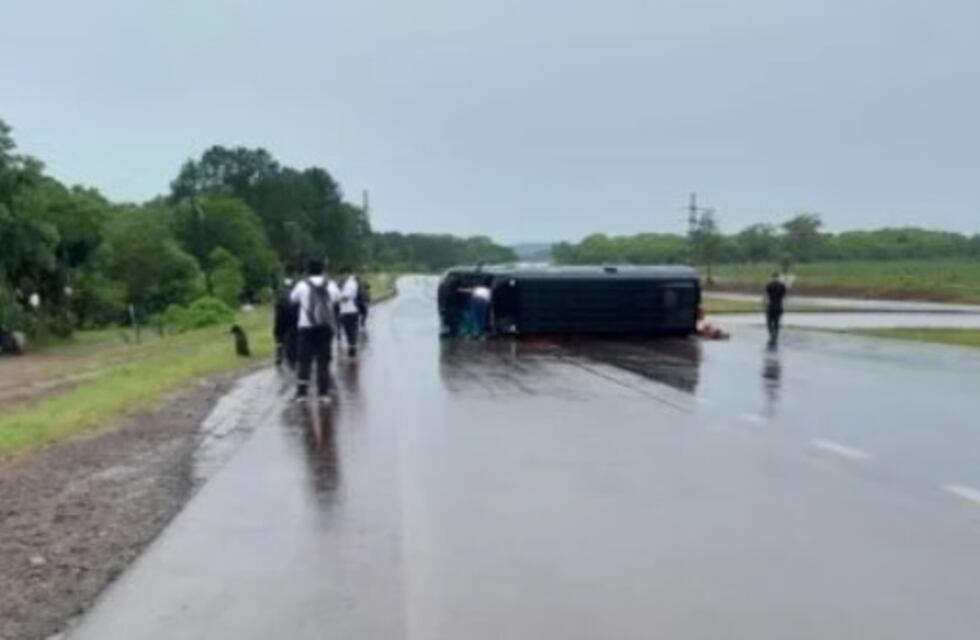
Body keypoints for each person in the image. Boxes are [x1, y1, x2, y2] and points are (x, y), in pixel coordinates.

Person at [290, 259, 337, 403]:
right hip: (325, 327)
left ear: (308, 270)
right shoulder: (331, 284)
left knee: (304, 361)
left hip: (306, 327)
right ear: (323, 270)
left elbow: (292, 299)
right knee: (323, 362)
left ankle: (302, 394)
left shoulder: (302, 285)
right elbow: (337, 299)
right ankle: (323, 394)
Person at [336, 267, 361, 359]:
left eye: (342, 274)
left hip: (351, 311)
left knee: (351, 331)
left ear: (346, 273)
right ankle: (351, 348)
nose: (341, 276)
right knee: (347, 331)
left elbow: (346, 296)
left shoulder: (351, 283)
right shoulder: (345, 283)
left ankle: (352, 349)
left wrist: (338, 297)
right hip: (344, 311)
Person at [273, 278, 298, 368]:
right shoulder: (295, 295)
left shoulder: (280, 296)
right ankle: (292, 356)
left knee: (279, 337)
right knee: (294, 337)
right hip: (293, 320)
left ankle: (279, 355)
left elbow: (277, 310)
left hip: (282, 320)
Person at [764, 272, 788, 344]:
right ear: (778, 277)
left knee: (769, 322)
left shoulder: (769, 285)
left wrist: (764, 304)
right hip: (779, 305)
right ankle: (775, 335)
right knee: (776, 322)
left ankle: (771, 334)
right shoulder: (782, 286)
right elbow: (784, 296)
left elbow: (766, 295)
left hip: (771, 305)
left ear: (772, 277)